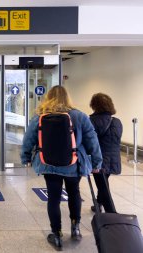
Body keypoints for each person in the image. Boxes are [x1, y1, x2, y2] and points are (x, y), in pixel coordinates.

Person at [21, 86, 102, 250]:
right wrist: (96, 163)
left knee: (53, 198)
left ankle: (56, 234)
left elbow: (28, 139)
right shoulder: (79, 116)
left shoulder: (40, 117)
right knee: (74, 194)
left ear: (48, 98)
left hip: (49, 165)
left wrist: (26, 158)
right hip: (74, 164)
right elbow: (92, 141)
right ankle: (75, 227)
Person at [89, 93, 123, 213]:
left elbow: (90, 141)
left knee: (102, 185)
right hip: (114, 158)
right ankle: (98, 203)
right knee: (104, 181)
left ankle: (111, 212)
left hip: (100, 158)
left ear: (94, 105)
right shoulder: (117, 121)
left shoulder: (92, 121)